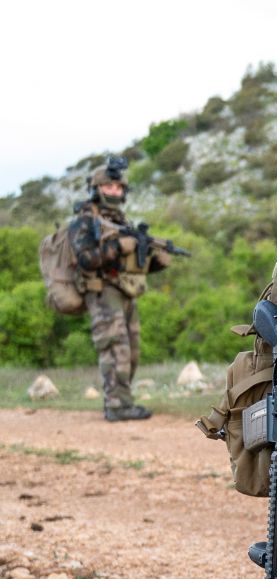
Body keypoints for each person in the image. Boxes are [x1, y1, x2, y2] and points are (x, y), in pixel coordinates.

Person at [69, 155, 168, 421]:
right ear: (97, 188)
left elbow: (134, 265)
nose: (114, 191)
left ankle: (122, 400)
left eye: (118, 187)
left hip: (125, 290)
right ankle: (116, 405)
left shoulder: (122, 222)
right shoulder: (85, 220)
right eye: (108, 187)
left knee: (132, 350)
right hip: (101, 291)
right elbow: (85, 258)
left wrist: (154, 258)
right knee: (115, 347)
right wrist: (117, 247)